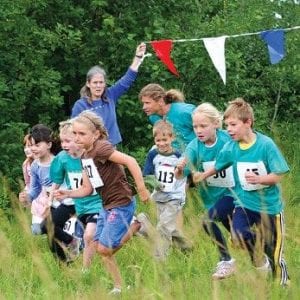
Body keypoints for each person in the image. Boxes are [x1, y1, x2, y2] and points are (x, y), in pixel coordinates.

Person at [54, 111, 150, 295]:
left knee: (105, 249)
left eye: (82, 134)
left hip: (121, 202)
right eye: (74, 133)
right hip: (106, 205)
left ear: (96, 134)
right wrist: (67, 192)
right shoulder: (85, 156)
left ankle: (137, 225)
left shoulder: (101, 148)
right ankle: (119, 287)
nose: (77, 138)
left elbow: (130, 161)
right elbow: (87, 189)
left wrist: (142, 189)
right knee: (99, 247)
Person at [197, 98, 290, 285]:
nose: (229, 129)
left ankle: (282, 283)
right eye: (226, 125)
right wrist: (203, 175)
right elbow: (218, 165)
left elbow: (279, 173)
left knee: (275, 252)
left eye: (233, 125)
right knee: (238, 235)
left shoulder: (265, 145)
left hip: (269, 208)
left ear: (248, 122)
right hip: (244, 204)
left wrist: (261, 179)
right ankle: (260, 248)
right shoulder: (231, 147)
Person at [175, 103, 236, 279]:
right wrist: (179, 169)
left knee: (207, 221)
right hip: (211, 198)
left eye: (203, 126)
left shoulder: (227, 140)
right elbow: (182, 173)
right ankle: (264, 255)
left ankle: (225, 261)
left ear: (216, 124)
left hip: (233, 193)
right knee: (240, 237)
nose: (198, 130)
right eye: (195, 127)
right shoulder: (194, 146)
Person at [71, 43, 147, 146]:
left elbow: (127, 79)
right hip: (90, 149)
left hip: (111, 147)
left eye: (101, 82)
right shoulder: (80, 105)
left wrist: (138, 57)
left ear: (105, 83)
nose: (98, 86)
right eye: (95, 83)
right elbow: (73, 130)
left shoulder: (110, 95)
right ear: (88, 84)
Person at [50, 120, 102, 267]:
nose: (64, 145)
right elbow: (57, 180)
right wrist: (50, 199)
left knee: (91, 235)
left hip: (95, 202)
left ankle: (86, 269)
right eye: (62, 141)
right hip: (74, 201)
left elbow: (96, 184)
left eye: (68, 141)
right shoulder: (61, 158)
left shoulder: (90, 156)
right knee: (49, 226)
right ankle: (64, 262)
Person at [143, 120, 191, 259]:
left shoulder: (178, 156)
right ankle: (186, 247)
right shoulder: (153, 154)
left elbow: (186, 175)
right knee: (170, 227)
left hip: (175, 198)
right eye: (158, 140)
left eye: (165, 139)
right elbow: (147, 174)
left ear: (172, 138)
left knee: (162, 227)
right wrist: (155, 183)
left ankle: (160, 259)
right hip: (159, 197)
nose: (161, 143)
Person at [138, 83, 196, 151]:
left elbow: (209, 129)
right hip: (174, 156)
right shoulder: (153, 117)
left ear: (160, 101)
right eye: (143, 103)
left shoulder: (184, 112)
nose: (144, 107)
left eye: (147, 103)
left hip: (197, 154)